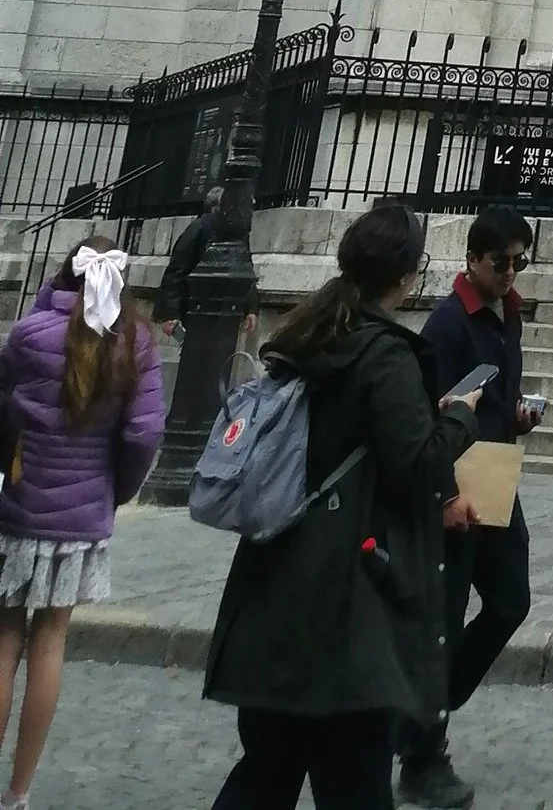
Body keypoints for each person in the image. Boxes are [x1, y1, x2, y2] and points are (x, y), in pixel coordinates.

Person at [203, 198, 481, 810]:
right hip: (346, 603)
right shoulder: (384, 353)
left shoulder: (308, 330)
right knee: (351, 773)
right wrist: (460, 420)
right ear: (407, 275)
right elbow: (416, 463)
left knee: (269, 767)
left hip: (277, 581)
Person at [0, 235, 164, 807]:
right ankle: (18, 793)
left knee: (3, 641)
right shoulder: (136, 342)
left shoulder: (27, 334)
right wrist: (115, 491)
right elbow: (145, 432)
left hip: (20, 504)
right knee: (50, 643)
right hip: (82, 514)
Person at [398, 205, 543, 810]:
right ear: (471, 261)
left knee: (512, 599)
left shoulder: (506, 315)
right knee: (445, 614)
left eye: (520, 261)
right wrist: (445, 495)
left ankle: (423, 703)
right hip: (455, 486)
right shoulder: (446, 325)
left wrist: (516, 415)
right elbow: (429, 416)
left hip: (496, 478)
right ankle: (422, 754)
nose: (512, 272)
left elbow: (487, 400)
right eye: (501, 262)